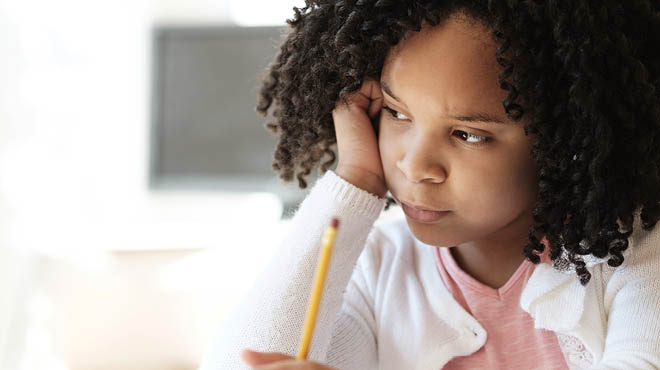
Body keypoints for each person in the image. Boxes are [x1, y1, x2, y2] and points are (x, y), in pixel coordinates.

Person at [199, 1, 660, 369]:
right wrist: (355, 180)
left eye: (468, 134)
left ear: (567, 138)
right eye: (397, 113)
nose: (416, 166)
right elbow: (240, 362)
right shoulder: (380, 262)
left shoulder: (634, 249)